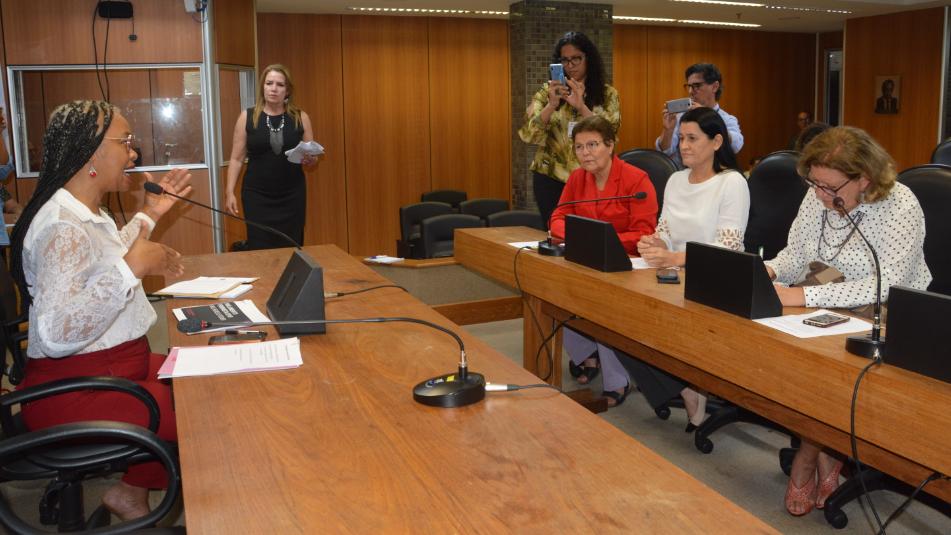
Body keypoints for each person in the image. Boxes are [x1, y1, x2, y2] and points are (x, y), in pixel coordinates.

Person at [9, 100, 192, 521]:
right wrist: (132, 269)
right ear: (92, 151)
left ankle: (130, 490)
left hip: (115, 369)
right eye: (125, 142)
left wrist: (150, 215)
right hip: (76, 388)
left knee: (200, 382)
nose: (133, 153)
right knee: (198, 418)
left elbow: (105, 259)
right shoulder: (61, 226)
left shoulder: (87, 212)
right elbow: (55, 334)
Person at [764, 126, 931, 516]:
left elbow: (885, 282)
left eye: (830, 187)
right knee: (788, 351)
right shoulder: (817, 194)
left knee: (828, 368)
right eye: (814, 184)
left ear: (865, 179)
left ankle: (809, 454)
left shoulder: (900, 204)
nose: (820, 195)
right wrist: (767, 272)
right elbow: (796, 256)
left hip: (890, 306)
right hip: (826, 286)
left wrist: (804, 296)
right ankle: (828, 451)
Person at [634, 107, 750, 430]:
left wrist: (673, 258)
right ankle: (684, 385)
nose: (683, 146)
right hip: (672, 277)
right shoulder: (675, 180)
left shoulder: (732, 183)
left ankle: (688, 382)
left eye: (692, 139)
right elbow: (665, 231)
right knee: (623, 319)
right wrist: (654, 243)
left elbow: (727, 248)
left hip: (716, 280)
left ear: (716, 142)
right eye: (681, 138)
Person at [548, 115, 658, 407]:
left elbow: (644, 233)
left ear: (610, 145)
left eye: (593, 145)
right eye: (579, 147)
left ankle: (617, 381)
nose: (585, 153)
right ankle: (586, 353)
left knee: (603, 306)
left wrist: (601, 239)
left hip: (627, 265)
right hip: (587, 259)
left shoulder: (636, 180)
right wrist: (584, 237)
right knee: (552, 289)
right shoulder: (577, 178)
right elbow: (557, 218)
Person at [519, 32, 620, 230]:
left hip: (591, 175)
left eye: (576, 59)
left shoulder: (607, 94)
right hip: (550, 176)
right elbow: (528, 134)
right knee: (554, 232)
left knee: (587, 231)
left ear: (588, 59)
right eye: (565, 60)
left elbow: (610, 134)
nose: (570, 66)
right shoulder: (546, 92)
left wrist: (581, 106)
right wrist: (551, 105)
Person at [225, 64, 316, 249]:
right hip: (257, 195)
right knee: (259, 247)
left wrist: (310, 159)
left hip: (292, 195)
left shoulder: (301, 117)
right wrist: (229, 192)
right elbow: (236, 159)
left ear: (287, 90)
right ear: (263, 87)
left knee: (291, 246)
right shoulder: (247, 117)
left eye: (280, 85)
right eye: (269, 83)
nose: (274, 89)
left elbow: (311, 156)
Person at [656, 63, 743, 168]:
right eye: (689, 86)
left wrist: (707, 116)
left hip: (714, 175)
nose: (690, 92)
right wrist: (668, 130)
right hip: (682, 174)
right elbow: (665, 152)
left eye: (696, 86)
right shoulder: (680, 117)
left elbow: (736, 145)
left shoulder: (727, 119)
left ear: (715, 86)